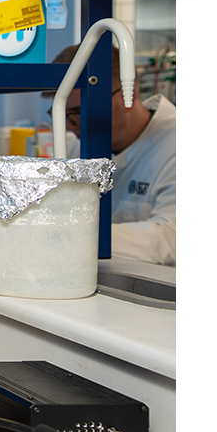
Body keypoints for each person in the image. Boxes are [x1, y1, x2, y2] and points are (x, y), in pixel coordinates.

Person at [53, 44, 176, 266]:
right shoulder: (76, 149)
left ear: (127, 96)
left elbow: (171, 238)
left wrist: (71, 235)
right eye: (62, 115)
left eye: (78, 114)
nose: (70, 127)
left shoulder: (175, 145)